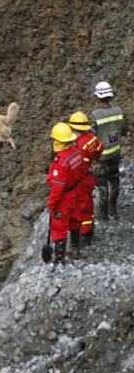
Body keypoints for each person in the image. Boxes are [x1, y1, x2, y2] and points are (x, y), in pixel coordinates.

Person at [46, 122, 84, 263]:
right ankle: (75, 249)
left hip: (64, 197)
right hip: (75, 192)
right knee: (75, 220)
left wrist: (51, 204)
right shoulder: (76, 152)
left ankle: (59, 259)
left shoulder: (60, 161)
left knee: (59, 226)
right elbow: (81, 172)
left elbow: (57, 188)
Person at [89, 81, 127, 220]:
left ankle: (103, 213)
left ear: (97, 97)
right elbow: (123, 131)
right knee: (114, 179)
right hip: (115, 154)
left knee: (102, 184)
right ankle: (113, 210)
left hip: (100, 158)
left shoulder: (94, 116)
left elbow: (90, 139)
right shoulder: (119, 112)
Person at [68, 112, 104, 246]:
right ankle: (88, 229)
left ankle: (86, 233)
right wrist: (93, 159)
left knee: (83, 206)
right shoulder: (92, 138)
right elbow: (100, 147)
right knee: (88, 204)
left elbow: (77, 168)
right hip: (88, 176)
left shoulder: (79, 146)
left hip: (82, 180)